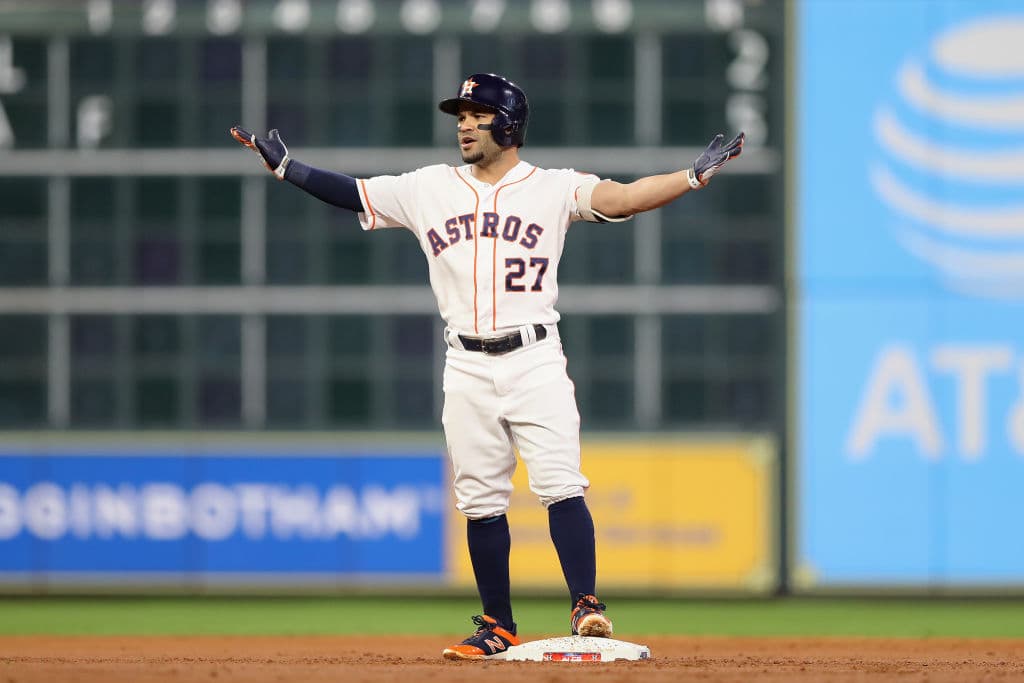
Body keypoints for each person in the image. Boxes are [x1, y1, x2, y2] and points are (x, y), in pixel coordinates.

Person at [231, 72, 743, 660]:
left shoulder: (551, 187)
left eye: (477, 114)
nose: (465, 125)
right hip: (466, 362)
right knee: (478, 498)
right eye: (461, 116)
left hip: (534, 356)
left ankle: (586, 604)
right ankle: (497, 625)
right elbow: (354, 192)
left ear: (510, 123)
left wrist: (691, 176)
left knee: (560, 483)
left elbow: (622, 196)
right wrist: (286, 168)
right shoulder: (428, 188)